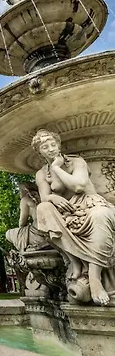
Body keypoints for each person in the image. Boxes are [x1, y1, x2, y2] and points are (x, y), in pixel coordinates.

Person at [33, 129, 115, 305]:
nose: (50, 149)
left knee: (100, 216)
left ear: (58, 145)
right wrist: (53, 198)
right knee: (43, 208)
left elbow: (78, 186)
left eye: (53, 144)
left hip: (90, 204)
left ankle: (94, 277)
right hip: (67, 211)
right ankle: (73, 260)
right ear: (39, 152)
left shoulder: (77, 162)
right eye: (45, 147)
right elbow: (44, 197)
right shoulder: (41, 174)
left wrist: (56, 167)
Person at [6, 182, 49, 252]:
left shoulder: (25, 199)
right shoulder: (44, 195)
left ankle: (31, 245)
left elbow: (22, 222)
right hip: (50, 228)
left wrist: (22, 233)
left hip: (38, 230)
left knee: (9, 233)